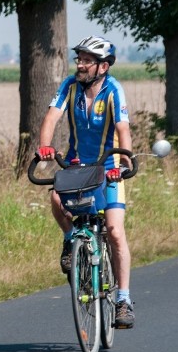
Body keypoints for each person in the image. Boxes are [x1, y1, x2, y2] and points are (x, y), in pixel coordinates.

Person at [37, 35, 137, 328]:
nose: (79, 65)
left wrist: (126, 158)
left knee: (116, 233)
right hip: (79, 164)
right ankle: (71, 240)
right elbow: (52, 116)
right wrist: (44, 146)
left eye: (86, 60)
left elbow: (122, 126)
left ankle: (123, 299)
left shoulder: (113, 90)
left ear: (103, 66)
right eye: (79, 59)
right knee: (56, 198)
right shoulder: (69, 86)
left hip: (109, 167)